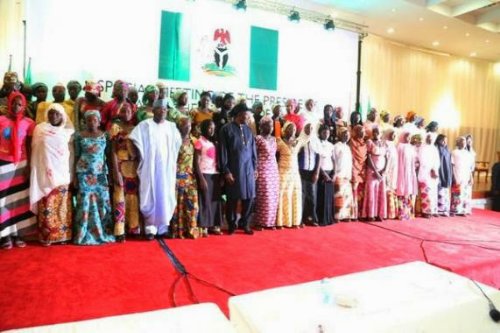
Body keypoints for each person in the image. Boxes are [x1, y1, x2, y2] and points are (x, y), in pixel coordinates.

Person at [129, 99, 182, 239]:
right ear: (153, 110)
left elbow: (177, 144)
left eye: (165, 109)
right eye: (159, 108)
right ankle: (150, 228)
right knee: (149, 193)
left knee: (165, 193)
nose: (162, 111)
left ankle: (164, 227)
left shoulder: (171, 127)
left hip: (166, 168)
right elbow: (134, 138)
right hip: (150, 166)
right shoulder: (145, 125)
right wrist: (140, 155)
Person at [30, 103, 74, 246]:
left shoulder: (67, 132)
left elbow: (70, 154)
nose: (53, 116)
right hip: (45, 173)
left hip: (62, 173)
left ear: (62, 116)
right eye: (51, 113)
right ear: (46, 115)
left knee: (62, 206)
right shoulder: (40, 129)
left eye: (57, 113)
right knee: (47, 205)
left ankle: (63, 236)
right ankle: (47, 236)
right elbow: (36, 151)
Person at [0, 92, 36, 249]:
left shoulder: (29, 123)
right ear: (9, 103)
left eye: (19, 104)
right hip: (3, 165)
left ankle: (18, 234)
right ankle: (5, 235)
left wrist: (29, 166)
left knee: (19, 201)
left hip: (21, 165)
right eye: (13, 103)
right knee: (2, 202)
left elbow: (29, 146)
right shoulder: (1, 120)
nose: (16, 106)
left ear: (24, 106)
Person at [73, 111, 115, 245]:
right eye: (89, 120)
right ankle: (82, 234)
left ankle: (102, 232)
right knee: (85, 203)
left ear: (99, 121)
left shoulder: (105, 135)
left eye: (94, 120)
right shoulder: (79, 136)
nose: (92, 123)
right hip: (84, 174)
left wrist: (113, 175)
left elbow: (109, 156)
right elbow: (76, 156)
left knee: (102, 203)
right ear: (85, 121)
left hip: (101, 174)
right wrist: (74, 176)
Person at [219, 103, 257, 235]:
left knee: (249, 197)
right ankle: (232, 224)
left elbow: (253, 151)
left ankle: (245, 223)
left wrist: (255, 168)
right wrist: (226, 171)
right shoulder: (226, 129)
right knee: (233, 198)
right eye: (246, 115)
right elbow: (223, 152)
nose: (248, 118)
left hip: (248, 169)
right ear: (239, 114)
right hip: (234, 169)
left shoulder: (248, 130)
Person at [109, 102, 140, 241]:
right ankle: (120, 230)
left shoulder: (137, 128)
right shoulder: (115, 128)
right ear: (118, 113)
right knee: (119, 197)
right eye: (123, 111)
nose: (126, 113)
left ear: (132, 112)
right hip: (120, 166)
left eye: (128, 111)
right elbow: (113, 151)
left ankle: (133, 228)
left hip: (134, 167)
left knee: (133, 198)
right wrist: (115, 171)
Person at [171, 118, 199, 238]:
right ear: (179, 126)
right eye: (184, 125)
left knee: (192, 204)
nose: (187, 127)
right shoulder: (174, 140)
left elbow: (196, 161)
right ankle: (178, 230)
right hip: (177, 177)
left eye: (189, 125)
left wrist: (199, 177)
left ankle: (191, 229)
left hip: (190, 177)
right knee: (178, 205)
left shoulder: (194, 141)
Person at [194, 119, 223, 236]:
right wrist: (201, 178)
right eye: (209, 127)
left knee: (215, 201)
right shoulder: (199, 141)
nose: (212, 130)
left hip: (214, 174)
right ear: (204, 128)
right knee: (205, 201)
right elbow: (195, 162)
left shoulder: (214, 142)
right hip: (204, 174)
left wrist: (220, 175)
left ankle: (214, 226)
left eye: (213, 128)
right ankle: (204, 227)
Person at [253, 116, 280, 230]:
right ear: (261, 126)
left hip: (273, 169)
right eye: (267, 125)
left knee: (274, 196)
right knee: (264, 195)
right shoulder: (257, 138)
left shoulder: (274, 139)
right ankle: (260, 222)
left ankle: (270, 222)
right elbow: (253, 155)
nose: (270, 127)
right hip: (262, 169)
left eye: (271, 125)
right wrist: (255, 169)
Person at [276, 122, 303, 229]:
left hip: (295, 173)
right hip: (283, 172)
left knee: (295, 195)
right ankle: (281, 222)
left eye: (294, 129)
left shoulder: (297, 142)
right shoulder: (279, 141)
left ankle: (295, 221)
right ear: (284, 130)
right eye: (289, 129)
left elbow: (306, 135)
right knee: (283, 195)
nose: (292, 131)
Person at [362, 126, 388, 221]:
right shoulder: (369, 142)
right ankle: (370, 214)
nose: (376, 133)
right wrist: (375, 171)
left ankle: (379, 214)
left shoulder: (384, 143)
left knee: (380, 192)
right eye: (375, 132)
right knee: (371, 192)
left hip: (382, 172)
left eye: (378, 132)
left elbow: (386, 157)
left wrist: (384, 169)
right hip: (372, 171)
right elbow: (368, 158)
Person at [298, 122, 320, 226]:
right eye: (307, 127)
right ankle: (300, 219)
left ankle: (312, 218)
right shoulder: (300, 140)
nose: (309, 129)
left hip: (312, 172)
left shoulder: (315, 141)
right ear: (303, 129)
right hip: (301, 171)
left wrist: (317, 172)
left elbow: (318, 157)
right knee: (301, 196)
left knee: (312, 196)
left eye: (311, 128)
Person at [417, 133, 440, 218]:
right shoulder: (422, 148)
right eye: (428, 138)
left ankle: (433, 210)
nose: (430, 139)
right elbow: (422, 160)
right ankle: (426, 211)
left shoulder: (434, 148)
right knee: (426, 192)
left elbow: (437, 160)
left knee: (433, 192)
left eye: (431, 138)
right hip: (425, 172)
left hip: (433, 173)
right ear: (425, 138)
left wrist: (434, 169)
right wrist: (430, 169)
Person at [396, 131, 418, 220]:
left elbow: (415, 160)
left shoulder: (411, 147)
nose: (408, 139)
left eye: (409, 137)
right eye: (407, 137)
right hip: (402, 171)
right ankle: (401, 213)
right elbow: (398, 161)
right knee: (402, 190)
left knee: (409, 192)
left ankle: (408, 213)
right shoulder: (400, 146)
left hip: (410, 172)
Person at [316, 124, 335, 226]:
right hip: (321, 173)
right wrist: (323, 174)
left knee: (329, 197)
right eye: (324, 132)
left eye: (327, 133)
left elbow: (333, 159)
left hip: (330, 172)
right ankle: (321, 219)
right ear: (320, 133)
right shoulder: (317, 144)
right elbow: (317, 160)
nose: (326, 134)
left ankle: (329, 218)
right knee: (321, 197)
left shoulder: (331, 145)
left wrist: (334, 173)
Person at [451, 136, 474, 216]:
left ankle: (463, 210)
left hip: (466, 175)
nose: (463, 142)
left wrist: (471, 177)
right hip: (457, 174)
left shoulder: (468, 153)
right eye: (461, 141)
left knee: (464, 194)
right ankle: (456, 210)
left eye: (464, 141)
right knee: (457, 193)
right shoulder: (454, 152)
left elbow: (470, 167)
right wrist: (453, 176)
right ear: (457, 142)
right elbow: (452, 165)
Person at [349, 125, 367, 220]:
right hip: (354, 169)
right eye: (360, 131)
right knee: (354, 192)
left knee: (361, 193)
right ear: (355, 132)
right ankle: (353, 214)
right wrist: (354, 169)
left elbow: (365, 158)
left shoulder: (364, 144)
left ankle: (360, 213)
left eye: (363, 131)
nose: (363, 133)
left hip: (362, 170)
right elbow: (350, 158)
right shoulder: (351, 142)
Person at [435, 134, 452, 217]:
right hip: (439, 171)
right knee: (439, 190)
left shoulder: (447, 150)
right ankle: (439, 210)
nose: (445, 142)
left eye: (446, 140)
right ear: (438, 140)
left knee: (445, 191)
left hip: (446, 172)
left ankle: (445, 209)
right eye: (443, 140)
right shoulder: (436, 149)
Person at [384, 129, 399, 219]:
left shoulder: (393, 145)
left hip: (393, 170)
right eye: (392, 134)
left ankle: (391, 213)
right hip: (387, 169)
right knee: (386, 188)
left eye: (395, 135)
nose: (394, 136)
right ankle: (385, 211)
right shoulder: (385, 144)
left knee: (392, 188)